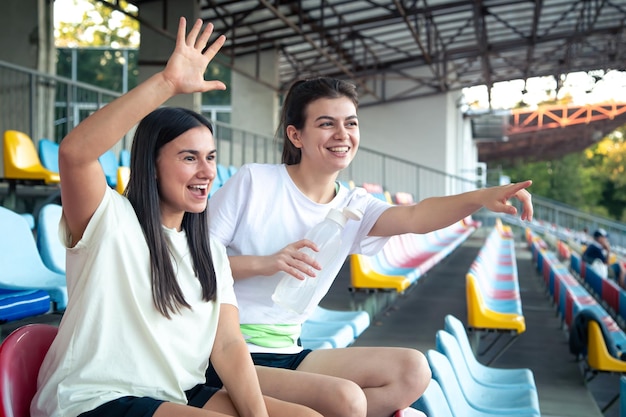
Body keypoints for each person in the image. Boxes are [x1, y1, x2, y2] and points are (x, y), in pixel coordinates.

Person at [31, 17, 321, 417]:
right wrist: (167, 83)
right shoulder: (109, 221)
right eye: (189, 158)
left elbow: (228, 345)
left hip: (176, 392)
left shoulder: (209, 252)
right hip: (95, 398)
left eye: (211, 158)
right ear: (151, 165)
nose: (206, 172)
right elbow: (75, 153)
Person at [206, 76, 534, 417]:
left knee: (413, 370)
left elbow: (417, 217)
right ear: (295, 135)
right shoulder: (254, 182)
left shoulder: (353, 205)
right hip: (228, 352)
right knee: (347, 400)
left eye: (350, 123)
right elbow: (187, 264)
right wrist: (266, 263)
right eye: (326, 124)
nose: (342, 135)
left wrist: (481, 197)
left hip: (290, 349)